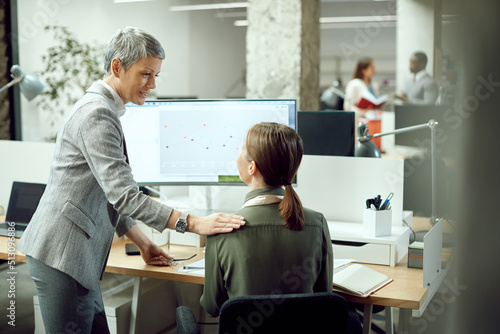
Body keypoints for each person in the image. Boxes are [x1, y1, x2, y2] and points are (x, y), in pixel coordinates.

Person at [17, 27, 245, 334]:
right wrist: (192, 222)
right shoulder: (97, 114)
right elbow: (125, 195)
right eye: (145, 74)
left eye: (156, 76)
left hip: (76, 254)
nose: (152, 84)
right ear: (117, 67)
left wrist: (144, 242)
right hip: (63, 253)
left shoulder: (105, 108)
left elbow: (109, 192)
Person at [343, 57, 380, 125]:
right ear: (363, 70)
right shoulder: (354, 84)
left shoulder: (374, 85)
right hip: (359, 121)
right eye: (371, 68)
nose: (374, 70)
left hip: (373, 120)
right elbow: (347, 106)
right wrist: (363, 112)